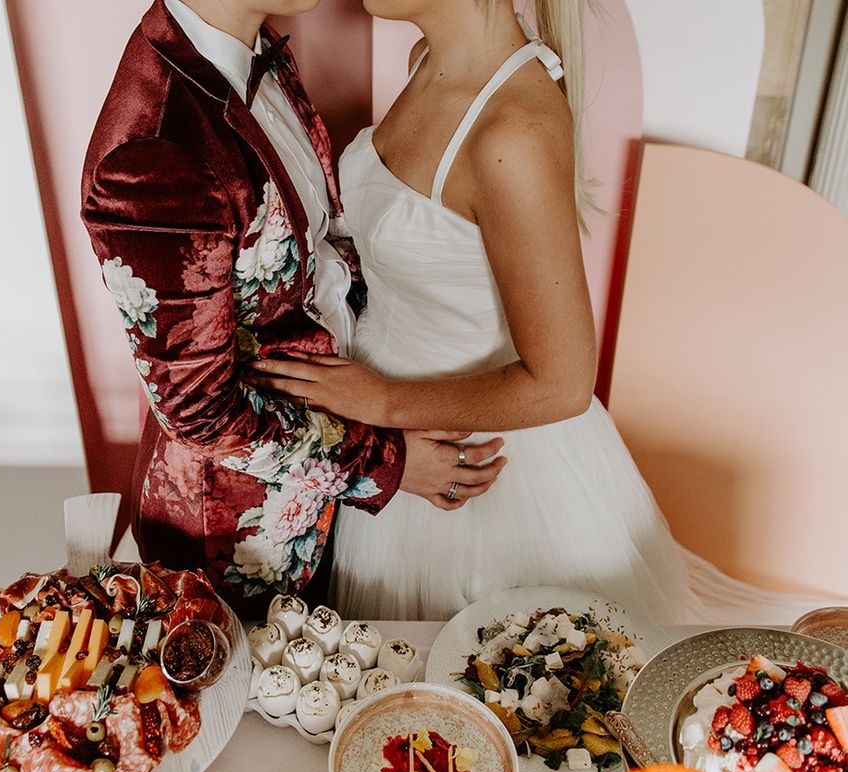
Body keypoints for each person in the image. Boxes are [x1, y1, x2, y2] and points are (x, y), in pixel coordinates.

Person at [247, 0, 822, 625]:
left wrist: (382, 403)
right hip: (399, 445)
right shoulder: (427, 62)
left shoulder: (513, 129)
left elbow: (565, 383)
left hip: (476, 463)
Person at [80, 0, 505, 617]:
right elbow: (202, 413)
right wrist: (389, 463)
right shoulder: (156, 151)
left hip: (327, 463)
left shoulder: (249, 49)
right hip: (240, 542)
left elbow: (319, 254)